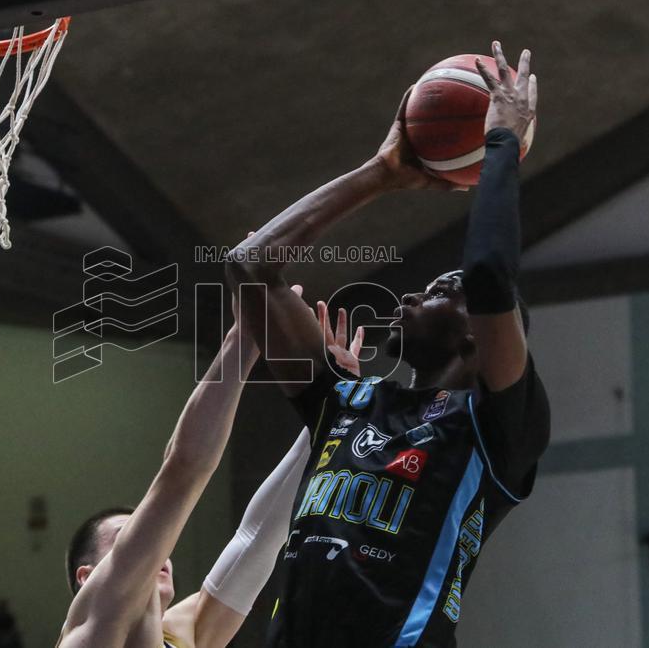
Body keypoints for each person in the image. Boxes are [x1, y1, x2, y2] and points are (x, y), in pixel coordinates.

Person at [225, 41, 550, 647]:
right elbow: (250, 264)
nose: (411, 296)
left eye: (440, 291)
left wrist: (503, 141)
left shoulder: (497, 428)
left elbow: (487, 275)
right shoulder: (347, 402)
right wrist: (382, 172)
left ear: (477, 335)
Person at [57, 289, 311, 648]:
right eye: (126, 538)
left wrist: (329, 415)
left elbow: (259, 537)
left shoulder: (183, 633)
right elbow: (182, 470)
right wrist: (242, 338)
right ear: (87, 577)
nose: (154, 545)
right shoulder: (89, 635)